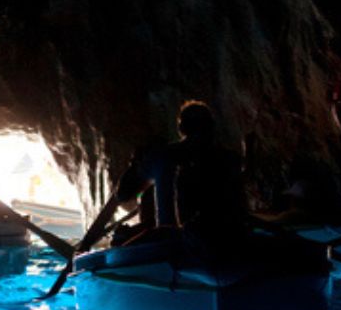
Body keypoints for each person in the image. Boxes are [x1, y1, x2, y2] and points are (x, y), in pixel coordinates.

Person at [79, 100, 247, 253]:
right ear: (212, 127)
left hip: (171, 239)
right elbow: (241, 211)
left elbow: (121, 195)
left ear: (181, 129)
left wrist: (86, 244)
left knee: (121, 239)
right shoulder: (231, 159)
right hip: (223, 237)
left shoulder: (163, 156)